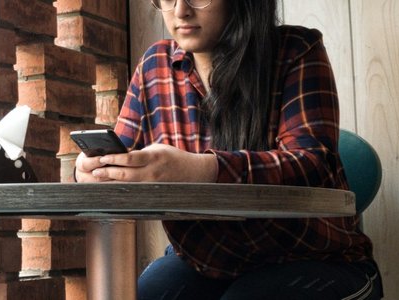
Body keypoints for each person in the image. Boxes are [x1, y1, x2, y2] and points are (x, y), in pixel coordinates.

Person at [74, 0, 383, 298]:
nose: (180, 11)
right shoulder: (155, 66)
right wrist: (93, 171)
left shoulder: (296, 51)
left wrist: (198, 169)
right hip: (206, 263)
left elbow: (310, 163)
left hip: (317, 259)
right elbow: (122, 160)